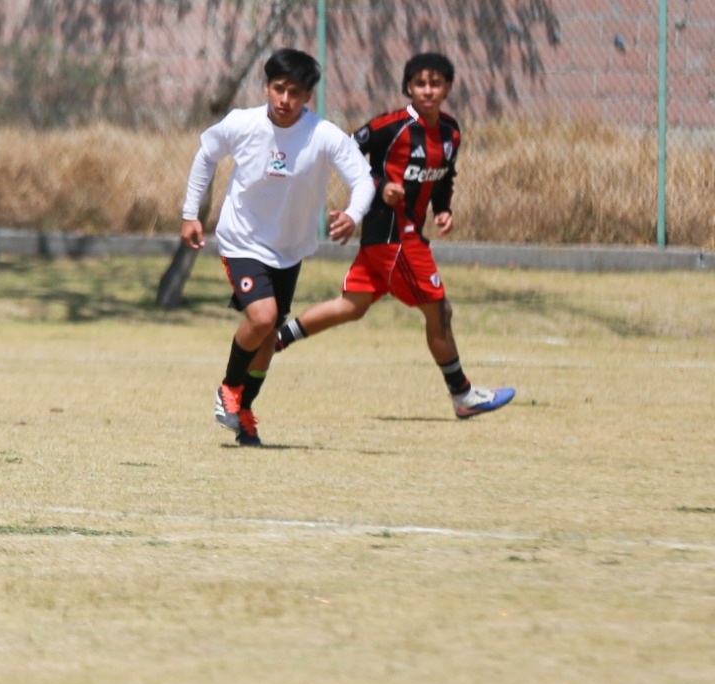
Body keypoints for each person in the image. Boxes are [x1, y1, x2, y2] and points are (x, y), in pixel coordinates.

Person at [272, 52, 516, 418]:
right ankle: (463, 395)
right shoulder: (392, 125)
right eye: (420, 83)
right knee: (439, 310)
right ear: (408, 88)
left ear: (448, 87)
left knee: (351, 307)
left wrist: (443, 208)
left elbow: (444, 176)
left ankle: (276, 339)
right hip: (394, 235)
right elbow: (345, 150)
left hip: (395, 238)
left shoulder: (451, 131)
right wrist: (381, 184)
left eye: (435, 83)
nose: (427, 90)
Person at [179, 48, 375, 446]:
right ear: (266, 87)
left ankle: (244, 411)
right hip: (242, 240)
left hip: (290, 248)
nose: (285, 100)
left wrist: (354, 215)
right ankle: (230, 388)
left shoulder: (323, 134)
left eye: (296, 93)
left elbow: (364, 180)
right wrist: (189, 214)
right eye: (278, 89)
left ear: (308, 97)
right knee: (265, 317)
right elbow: (205, 157)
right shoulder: (242, 124)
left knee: (267, 338)